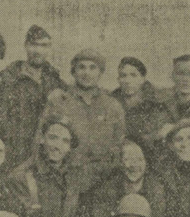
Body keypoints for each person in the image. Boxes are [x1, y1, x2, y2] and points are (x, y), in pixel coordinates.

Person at [40, 48, 126, 189]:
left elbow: (119, 145)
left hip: (103, 182)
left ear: (100, 72)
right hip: (64, 180)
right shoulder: (59, 101)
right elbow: (41, 140)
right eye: (81, 67)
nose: (87, 73)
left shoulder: (112, 106)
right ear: (73, 72)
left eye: (93, 68)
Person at [6, 115, 88, 217]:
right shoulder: (21, 177)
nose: (57, 146)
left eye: (65, 141)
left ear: (69, 148)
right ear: (42, 139)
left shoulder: (73, 176)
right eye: (53, 138)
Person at [0, 25, 67, 171]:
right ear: (26, 46)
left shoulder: (56, 82)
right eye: (34, 45)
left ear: (49, 49)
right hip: (14, 152)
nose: (38, 51)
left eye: (44, 46)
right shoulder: (9, 78)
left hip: (44, 154)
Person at [83, 141, 165, 217]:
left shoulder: (156, 190)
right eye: (128, 159)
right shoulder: (107, 189)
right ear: (121, 162)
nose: (133, 165)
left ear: (146, 163)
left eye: (139, 159)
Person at [112, 57, 170, 166]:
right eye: (123, 75)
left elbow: (160, 135)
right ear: (118, 79)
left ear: (142, 79)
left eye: (133, 75)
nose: (128, 80)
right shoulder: (110, 103)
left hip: (151, 160)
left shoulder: (156, 104)